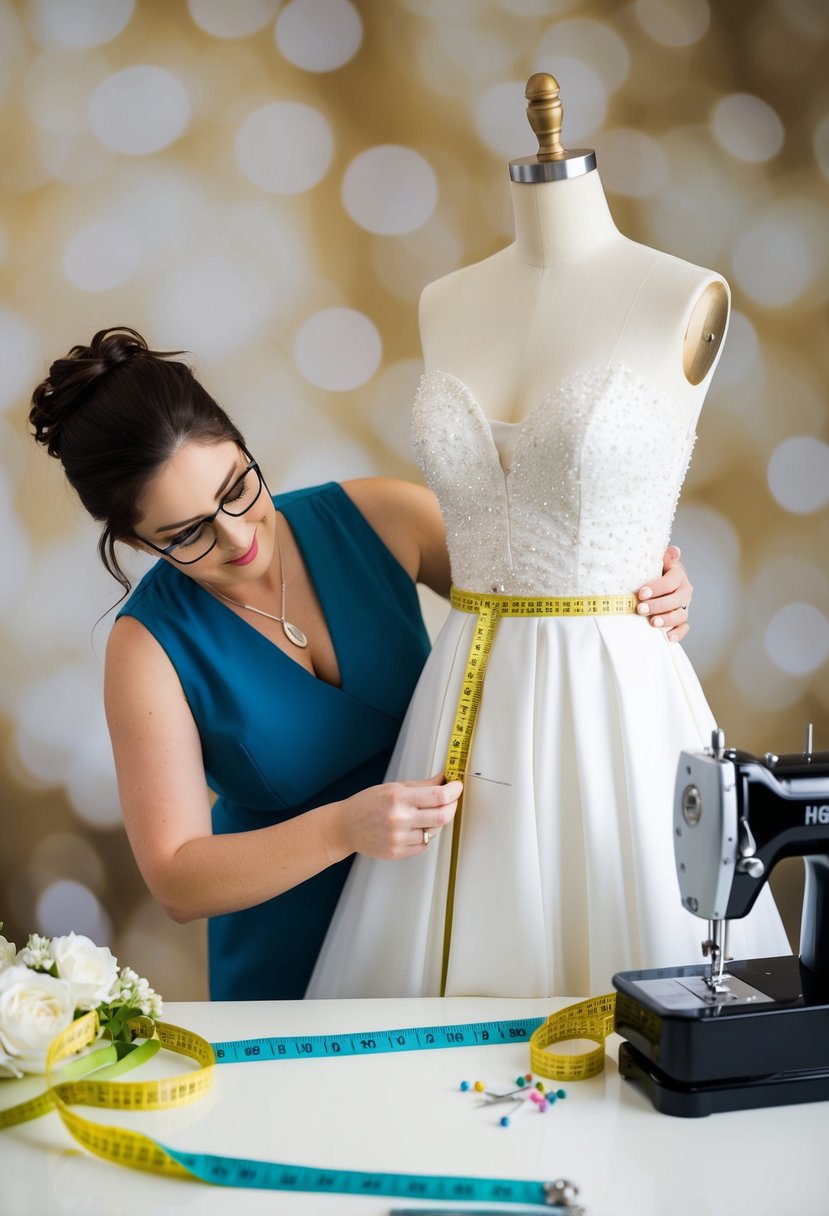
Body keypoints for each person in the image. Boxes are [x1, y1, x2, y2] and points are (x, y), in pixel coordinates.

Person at [29, 324, 695, 1000]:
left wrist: (652, 588)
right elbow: (176, 879)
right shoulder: (146, 648)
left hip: (453, 929)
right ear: (137, 543)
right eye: (188, 534)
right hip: (291, 962)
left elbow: (551, 595)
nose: (236, 537)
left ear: (241, 442)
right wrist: (343, 827)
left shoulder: (378, 518)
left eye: (236, 489)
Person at [307, 76, 790, 1000]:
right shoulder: (445, 303)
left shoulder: (678, 293)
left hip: (617, 694)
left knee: (651, 983)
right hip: (464, 692)